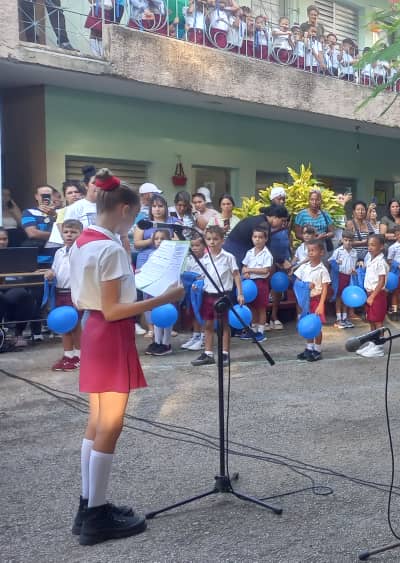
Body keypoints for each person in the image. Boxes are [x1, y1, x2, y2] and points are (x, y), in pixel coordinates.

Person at [69, 169, 184, 545]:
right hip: (110, 331)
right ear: (122, 209)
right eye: (134, 216)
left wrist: (123, 241)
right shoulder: (109, 250)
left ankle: (89, 505)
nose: (135, 223)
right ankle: (97, 517)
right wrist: (164, 299)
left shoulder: (84, 241)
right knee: (111, 424)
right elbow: (117, 309)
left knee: (97, 421)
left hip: (93, 330)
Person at [191, 225, 243, 367]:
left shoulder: (228, 257)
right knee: (208, 324)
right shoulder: (205, 258)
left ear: (222, 241)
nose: (212, 242)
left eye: (215, 239)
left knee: (224, 325)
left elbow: (236, 275)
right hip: (208, 295)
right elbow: (204, 275)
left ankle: (225, 353)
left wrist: (240, 293)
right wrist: (198, 282)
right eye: (208, 239)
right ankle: (208, 353)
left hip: (223, 295)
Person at [47, 219, 84, 371]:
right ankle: (68, 355)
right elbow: (55, 269)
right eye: (66, 232)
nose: (69, 235)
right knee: (64, 326)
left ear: (81, 234)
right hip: (60, 292)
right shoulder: (58, 252)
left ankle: (80, 356)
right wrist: (50, 273)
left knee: (76, 326)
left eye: (73, 232)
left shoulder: (82, 251)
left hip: (75, 293)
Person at [294, 240, 330, 362]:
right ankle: (309, 348)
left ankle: (317, 350)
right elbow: (296, 282)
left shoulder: (322, 270)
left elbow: (325, 288)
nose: (310, 253)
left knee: (316, 326)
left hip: (316, 300)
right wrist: (305, 285)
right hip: (305, 300)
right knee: (307, 325)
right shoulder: (304, 267)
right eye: (309, 250)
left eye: (313, 250)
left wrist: (321, 305)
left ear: (321, 252)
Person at [356, 235, 389, 358]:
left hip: (377, 294)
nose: (370, 248)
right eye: (369, 244)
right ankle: (372, 343)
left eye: (373, 245)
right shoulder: (369, 259)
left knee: (378, 321)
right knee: (371, 319)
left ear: (381, 247)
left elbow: (381, 281)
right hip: (369, 293)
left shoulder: (381, 262)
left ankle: (379, 347)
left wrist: (373, 296)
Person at [242, 227, 273, 342]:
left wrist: (249, 270)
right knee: (252, 307)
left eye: (260, 237)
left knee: (261, 308)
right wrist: (245, 272)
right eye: (255, 237)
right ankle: (253, 330)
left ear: (265, 239)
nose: (257, 240)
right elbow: (244, 266)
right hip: (250, 284)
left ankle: (261, 331)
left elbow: (265, 270)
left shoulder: (267, 254)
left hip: (261, 283)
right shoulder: (249, 252)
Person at [329, 236, 357, 328]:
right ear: (342, 240)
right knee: (338, 297)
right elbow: (330, 261)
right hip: (339, 276)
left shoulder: (354, 252)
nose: (348, 242)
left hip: (349, 277)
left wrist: (354, 270)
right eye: (346, 240)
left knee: (346, 297)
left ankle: (345, 318)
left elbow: (354, 264)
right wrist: (336, 262)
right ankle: (338, 319)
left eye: (350, 240)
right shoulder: (338, 251)